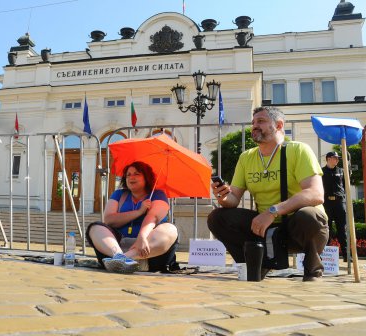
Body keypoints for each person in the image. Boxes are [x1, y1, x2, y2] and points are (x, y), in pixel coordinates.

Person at [208, 106, 329, 282]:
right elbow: (233, 200)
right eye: (253, 122)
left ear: (279, 125)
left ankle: (313, 270)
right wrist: (223, 196)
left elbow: (316, 193)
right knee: (217, 218)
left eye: (261, 121)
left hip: (296, 227)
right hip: (263, 229)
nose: (254, 126)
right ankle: (256, 264)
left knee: (310, 215)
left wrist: (273, 211)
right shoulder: (246, 157)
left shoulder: (299, 150)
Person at [86, 161, 179, 273]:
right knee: (95, 227)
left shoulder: (158, 194)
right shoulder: (119, 194)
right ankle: (119, 257)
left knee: (170, 229)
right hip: (115, 248)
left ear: (146, 177)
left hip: (149, 252)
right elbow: (109, 220)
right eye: (128, 175)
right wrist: (139, 212)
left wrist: (142, 238)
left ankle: (127, 258)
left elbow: (153, 217)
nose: (131, 177)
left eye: (136, 174)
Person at [322, 151, 348, 261]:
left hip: (339, 203)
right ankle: (326, 255)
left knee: (342, 228)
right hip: (326, 203)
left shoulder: (342, 171)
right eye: (334, 158)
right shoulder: (321, 172)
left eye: (338, 158)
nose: (337, 160)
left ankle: (346, 255)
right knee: (326, 228)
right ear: (328, 159)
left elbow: (345, 186)